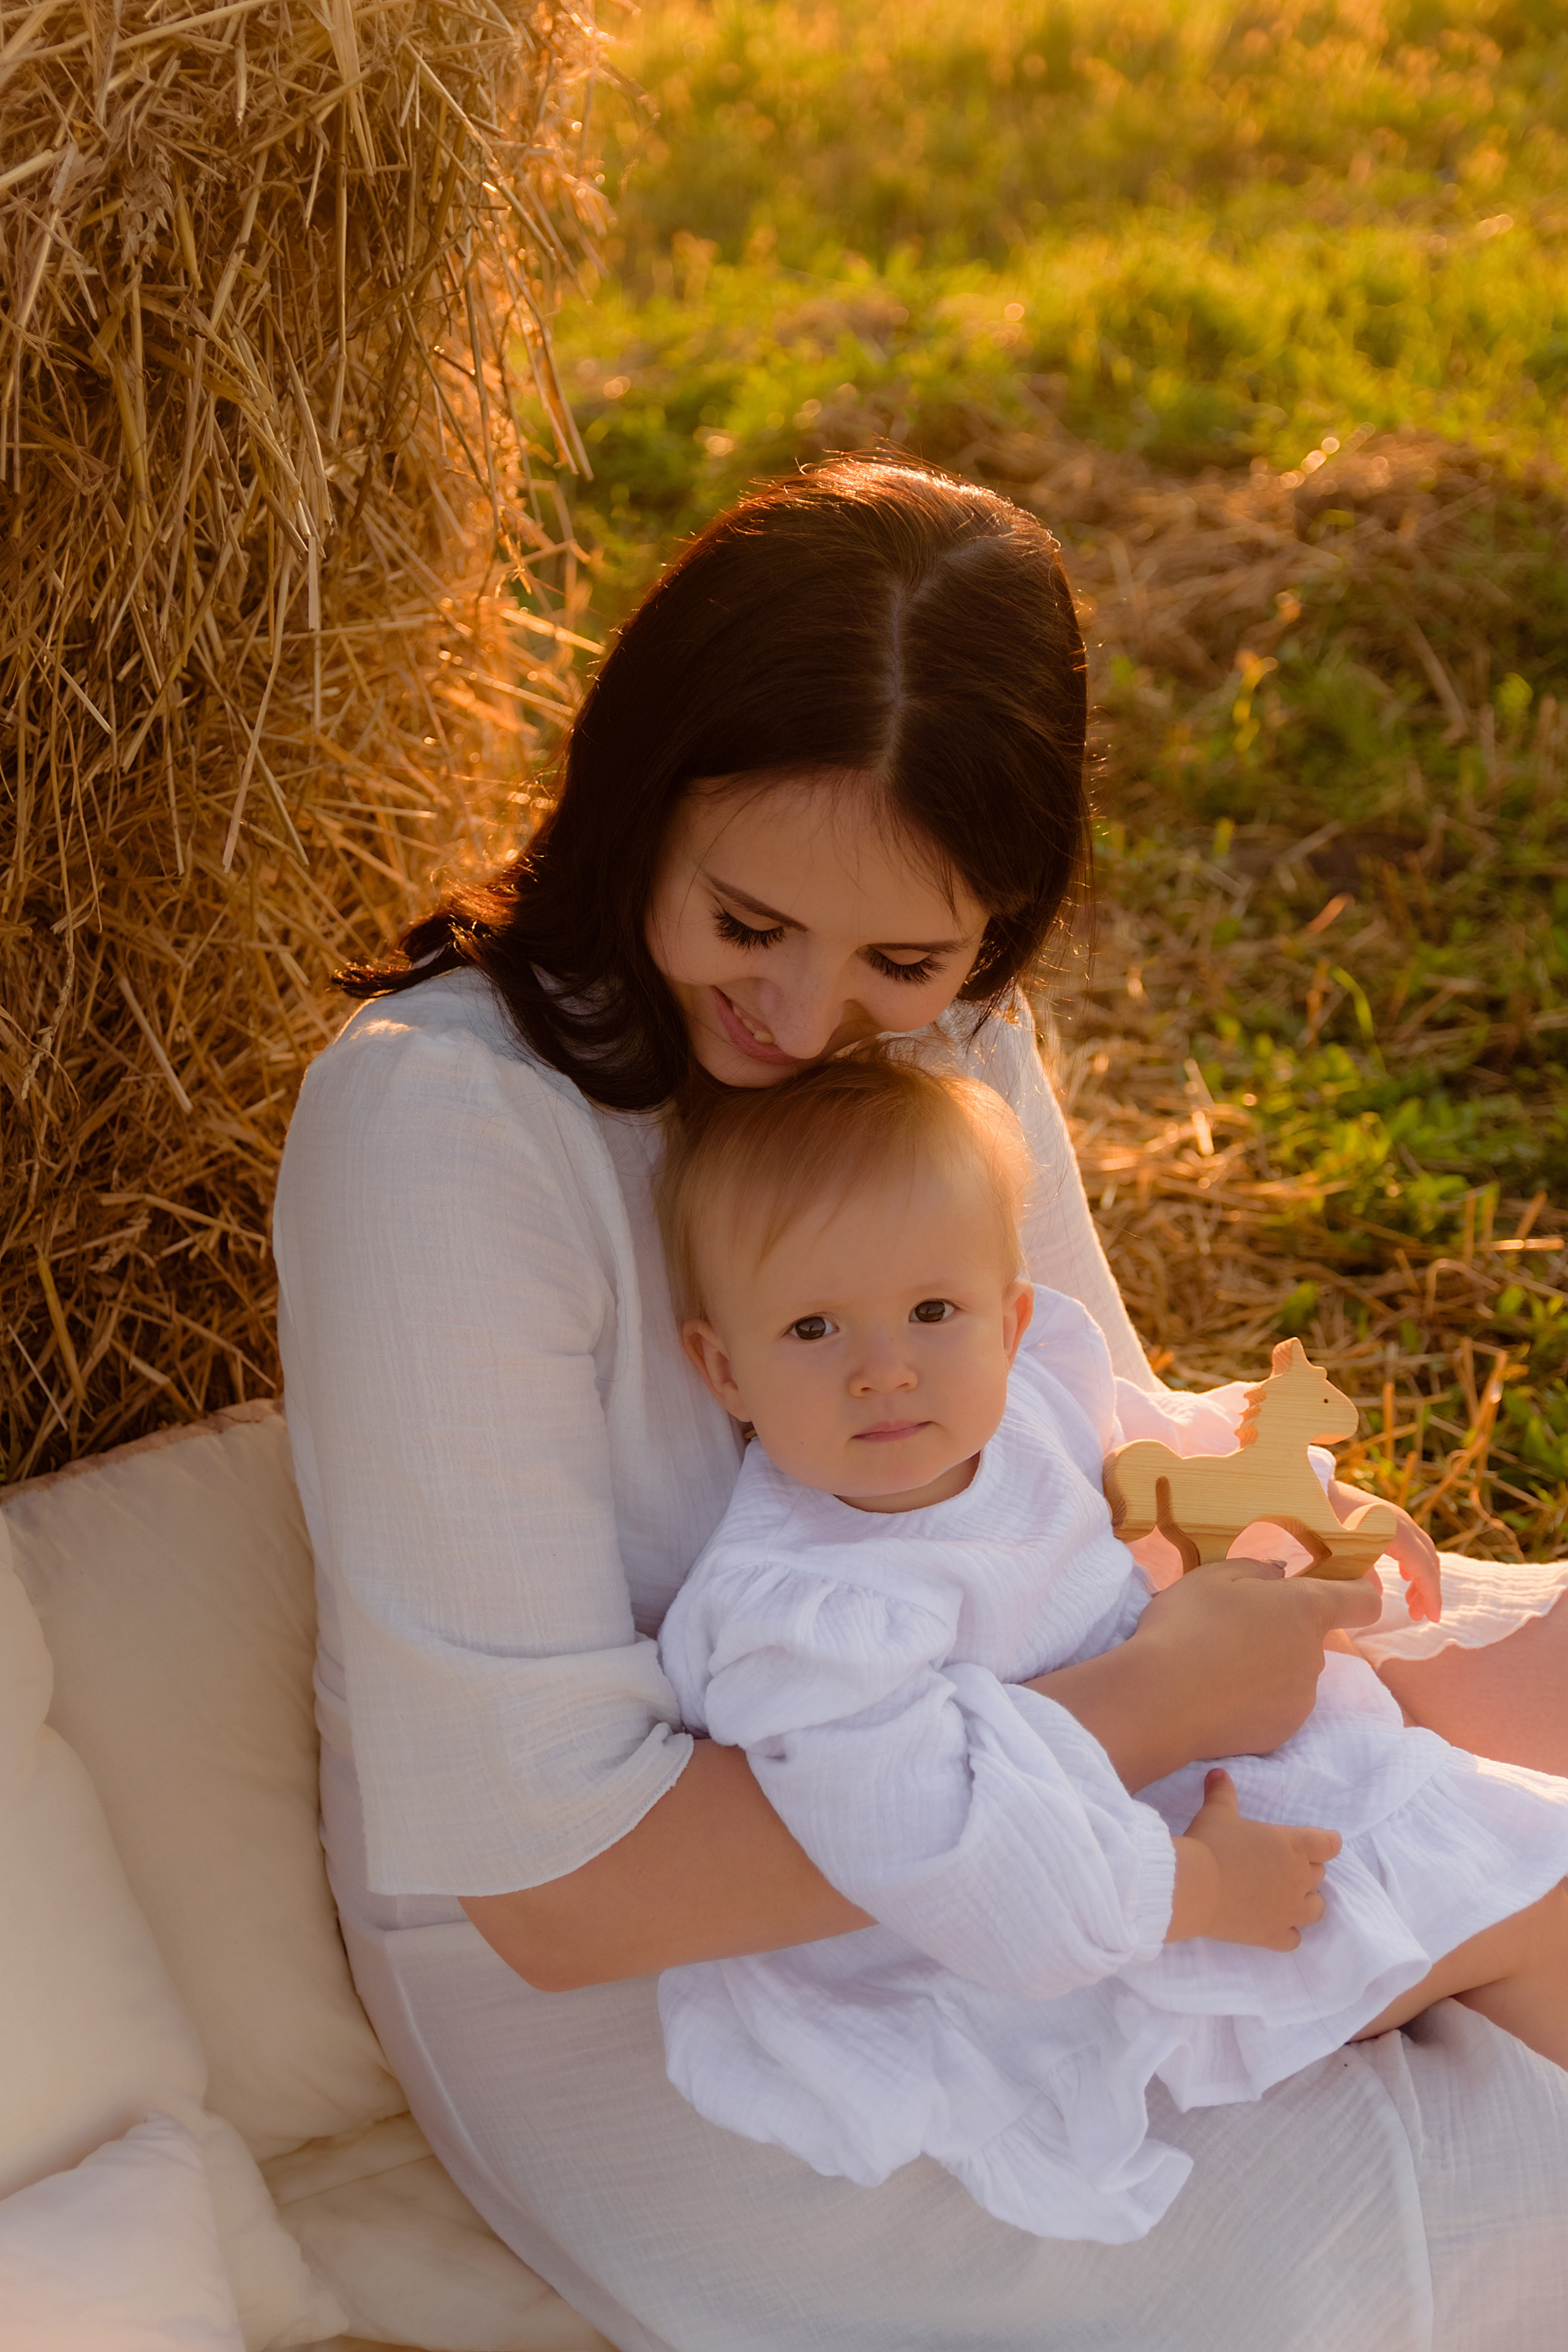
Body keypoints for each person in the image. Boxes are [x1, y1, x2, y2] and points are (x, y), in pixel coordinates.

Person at [273, 457, 1568, 2352]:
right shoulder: (445, 1131)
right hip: (698, 1979)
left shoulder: (949, 1032)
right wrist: (1161, 1704)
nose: (804, 1020)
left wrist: (1298, 1553)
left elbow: (1069, 1441)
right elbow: (559, 1895)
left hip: (1034, 1720)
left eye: (903, 958)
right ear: (637, 803)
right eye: (745, 925)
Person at [653, 1049, 1568, 2245]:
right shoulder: (802, 1616)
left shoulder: (1026, 1387)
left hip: (1207, 1788)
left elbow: (1155, 1452)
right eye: (812, 1327)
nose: (884, 1367)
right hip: (1086, 1918)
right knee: (1542, 1893)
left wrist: (1307, 1511)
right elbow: (935, 1844)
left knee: (1496, 1836)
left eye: (932, 1311)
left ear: (1008, 1316)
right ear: (723, 1367)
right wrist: (1189, 1892)